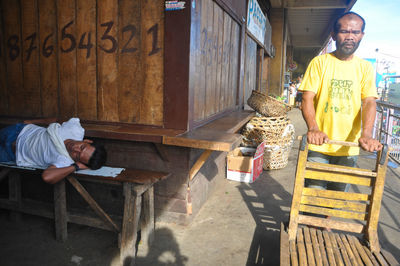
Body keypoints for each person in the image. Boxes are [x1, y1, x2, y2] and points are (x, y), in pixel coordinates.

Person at [300, 11, 382, 193]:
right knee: (314, 191)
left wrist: (367, 134)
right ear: (334, 35)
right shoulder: (320, 63)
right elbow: (306, 98)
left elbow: (369, 101)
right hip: (319, 143)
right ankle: (314, 221)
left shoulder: (365, 68)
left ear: (362, 35)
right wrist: (313, 128)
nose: (350, 37)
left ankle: (325, 220)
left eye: (355, 32)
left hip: (349, 146)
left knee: (337, 192)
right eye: (345, 32)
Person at [0, 118, 107, 185]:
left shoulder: (64, 161)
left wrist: (75, 167)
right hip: (19, 131)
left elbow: (47, 177)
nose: (75, 148)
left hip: (10, 153)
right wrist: (33, 122)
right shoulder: (75, 129)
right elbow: (57, 120)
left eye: (77, 156)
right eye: (82, 147)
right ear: (87, 141)